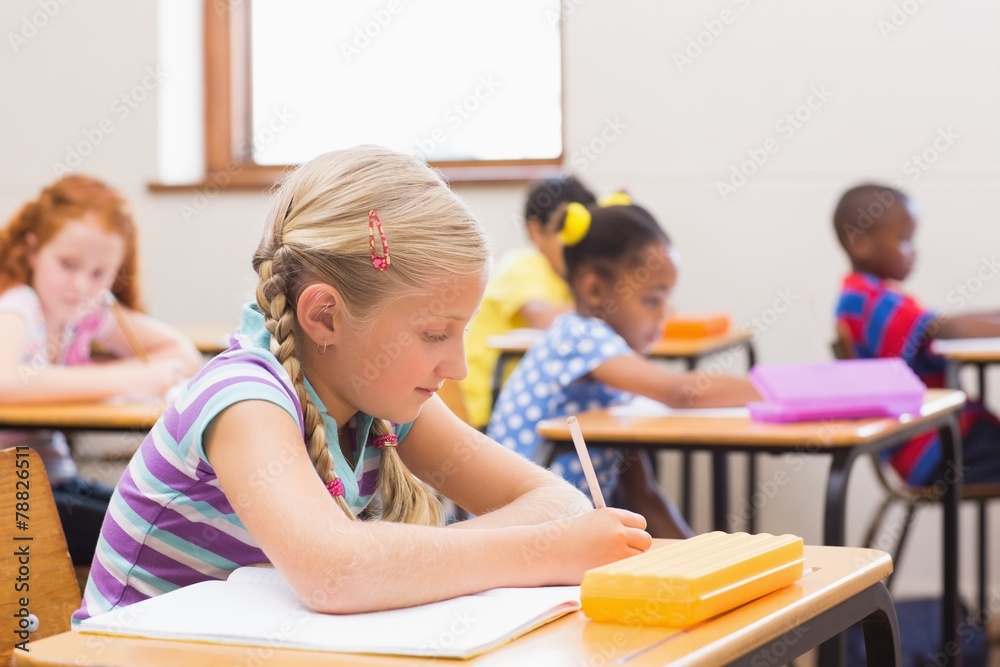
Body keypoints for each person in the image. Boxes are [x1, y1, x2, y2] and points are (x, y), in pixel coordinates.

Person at [73, 146, 650, 622]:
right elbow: (335, 573)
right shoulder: (243, 399)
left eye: (461, 334)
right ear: (325, 316)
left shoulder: (382, 397)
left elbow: (559, 505)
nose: (458, 367)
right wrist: (539, 553)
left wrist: (416, 562)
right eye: (433, 334)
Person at [487, 199, 760, 539]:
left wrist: (707, 561)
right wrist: (778, 391)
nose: (665, 315)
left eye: (666, 299)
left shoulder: (609, 376)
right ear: (595, 290)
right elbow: (680, 392)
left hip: (556, 533)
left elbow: (643, 496)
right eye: (651, 300)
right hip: (520, 535)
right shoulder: (578, 334)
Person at [0, 174, 202, 565]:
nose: (79, 285)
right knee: (147, 544)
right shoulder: (18, 307)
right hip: (14, 493)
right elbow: (4, 379)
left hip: (56, 480)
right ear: (32, 251)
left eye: (98, 273)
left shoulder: (85, 315)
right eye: (67, 264)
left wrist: (151, 370)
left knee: (167, 526)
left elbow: (182, 352)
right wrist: (129, 378)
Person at [834, 183, 1000, 486]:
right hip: (932, 449)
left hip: (941, 440)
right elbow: (942, 328)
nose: (915, 251)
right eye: (905, 239)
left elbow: (937, 324)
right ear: (860, 243)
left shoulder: (874, 296)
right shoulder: (865, 300)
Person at [460, 175, 597, 429]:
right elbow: (542, 317)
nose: (576, 245)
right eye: (564, 231)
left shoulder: (568, 280)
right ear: (535, 231)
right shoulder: (523, 265)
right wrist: (610, 303)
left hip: (532, 407)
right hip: (486, 411)